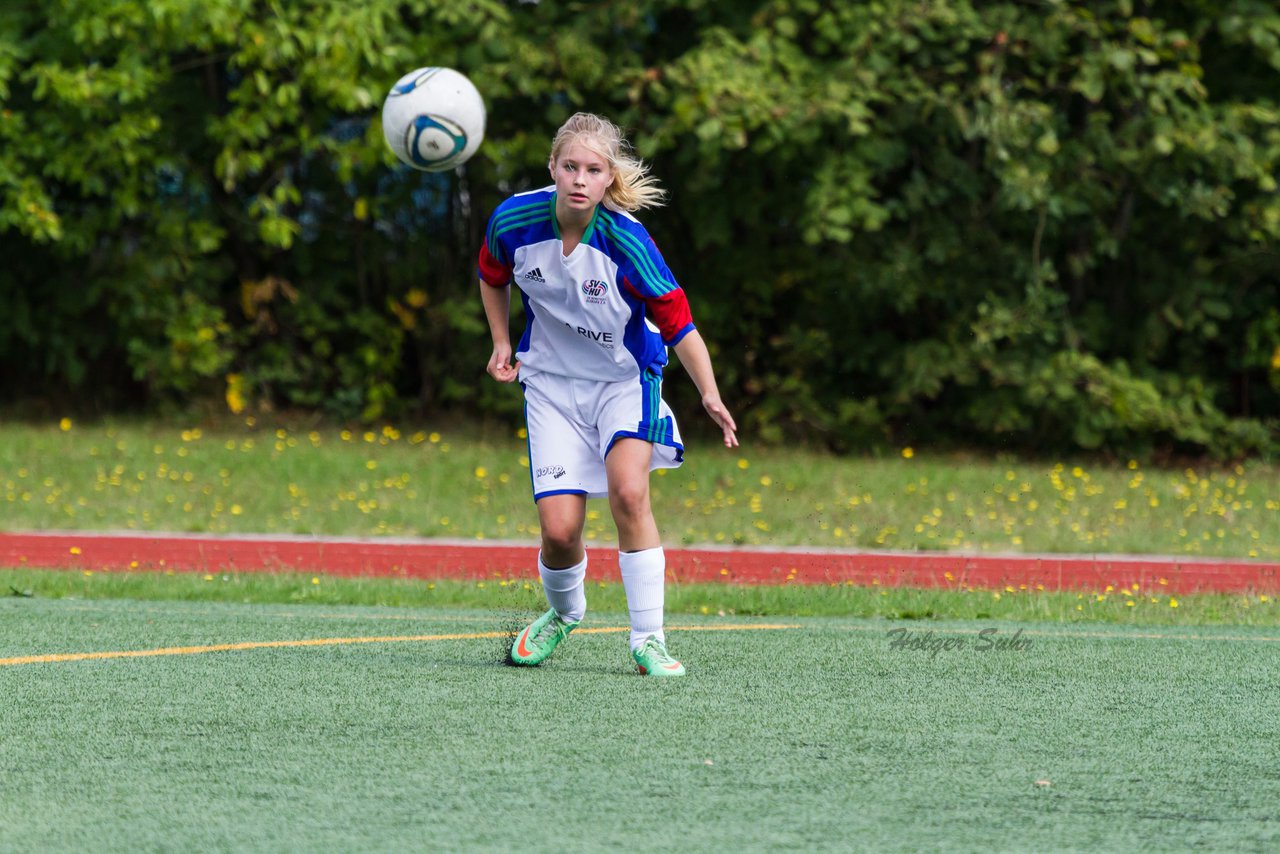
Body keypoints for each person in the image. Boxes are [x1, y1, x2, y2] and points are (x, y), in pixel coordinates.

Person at [477, 112, 738, 677]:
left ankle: (649, 639)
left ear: (607, 179)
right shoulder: (514, 220)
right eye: (569, 166)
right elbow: (491, 275)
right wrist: (501, 340)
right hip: (549, 384)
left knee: (628, 494)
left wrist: (710, 394)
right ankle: (565, 613)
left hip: (623, 382)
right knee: (560, 531)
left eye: (592, 170)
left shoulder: (626, 241)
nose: (578, 178)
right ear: (552, 167)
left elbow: (680, 324)